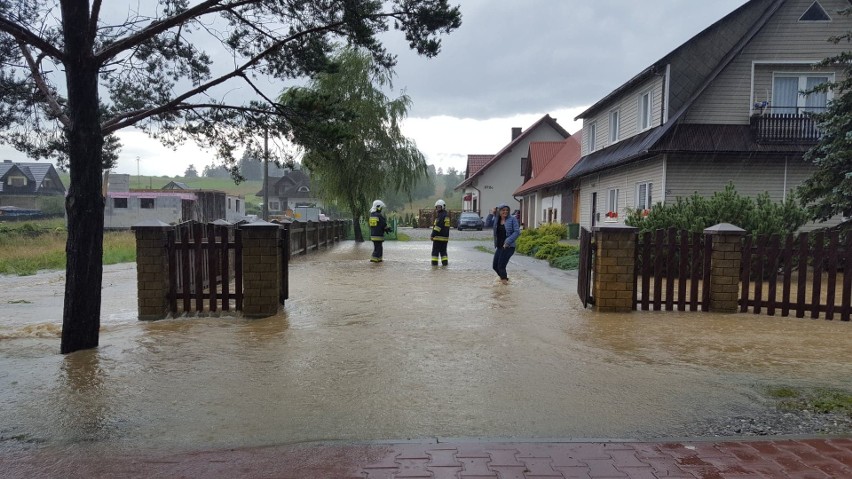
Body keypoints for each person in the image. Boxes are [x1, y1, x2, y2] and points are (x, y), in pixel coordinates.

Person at [493, 203, 520, 284]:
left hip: (508, 247)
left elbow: (517, 232)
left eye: (507, 210)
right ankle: (505, 280)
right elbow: (487, 224)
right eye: (503, 210)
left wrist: (508, 242)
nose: (505, 212)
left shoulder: (512, 219)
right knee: (495, 266)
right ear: (499, 211)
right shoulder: (497, 219)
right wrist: (492, 214)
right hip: (499, 246)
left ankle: (505, 289)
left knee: (501, 266)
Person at [430, 199, 450, 266]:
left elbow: (437, 227)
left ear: (442, 207)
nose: (438, 208)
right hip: (445, 239)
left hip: (438, 238)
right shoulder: (446, 215)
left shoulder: (440, 216)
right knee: (444, 253)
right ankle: (445, 267)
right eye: (437, 207)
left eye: (439, 207)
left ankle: (434, 267)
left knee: (435, 254)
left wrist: (432, 235)